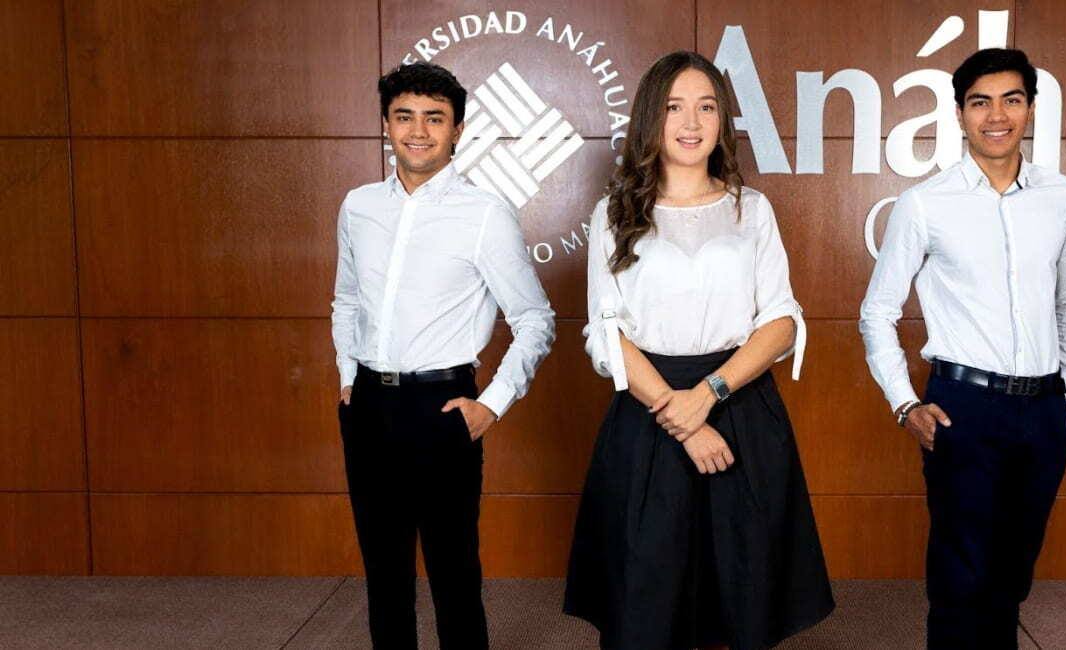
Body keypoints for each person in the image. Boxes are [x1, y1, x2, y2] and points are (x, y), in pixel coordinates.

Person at [562, 50, 835, 650]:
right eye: (674, 107)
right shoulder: (613, 213)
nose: (692, 122)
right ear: (649, 121)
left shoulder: (751, 208)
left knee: (743, 593)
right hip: (648, 413)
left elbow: (782, 321)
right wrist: (681, 419)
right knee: (646, 598)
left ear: (722, 121)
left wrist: (709, 395)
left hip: (741, 410)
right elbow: (606, 333)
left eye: (707, 107)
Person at [858, 48, 1066, 648]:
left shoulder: (1061, 196)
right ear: (960, 114)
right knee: (962, 574)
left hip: (1043, 408)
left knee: (1013, 571)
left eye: (1011, 100)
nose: (997, 115)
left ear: (1030, 109)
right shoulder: (925, 203)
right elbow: (877, 312)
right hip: (965, 405)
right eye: (980, 102)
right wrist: (905, 405)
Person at [331, 62, 556, 649]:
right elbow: (347, 297)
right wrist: (347, 378)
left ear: (457, 129)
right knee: (384, 580)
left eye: (435, 118)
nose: (418, 130)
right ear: (386, 124)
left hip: (444, 407)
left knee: (455, 578)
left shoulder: (484, 213)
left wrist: (492, 406)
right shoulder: (358, 206)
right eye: (404, 116)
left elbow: (535, 319)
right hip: (369, 407)